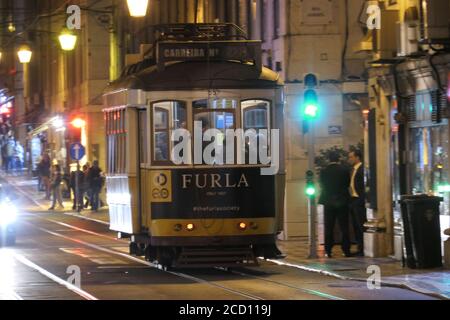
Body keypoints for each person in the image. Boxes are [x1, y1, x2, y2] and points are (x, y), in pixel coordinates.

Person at [318, 151, 352, 258]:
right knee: (344, 227)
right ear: (339, 159)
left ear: (329, 159)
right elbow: (347, 184)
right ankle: (346, 250)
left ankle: (328, 250)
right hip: (342, 201)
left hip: (328, 202)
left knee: (329, 226)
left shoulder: (324, 171)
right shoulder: (344, 170)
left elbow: (322, 184)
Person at [348, 149, 367, 257]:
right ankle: (359, 247)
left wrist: (361, 200)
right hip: (353, 200)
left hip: (359, 201)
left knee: (361, 225)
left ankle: (363, 248)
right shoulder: (352, 170)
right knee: (355, 226)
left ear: (357, 157)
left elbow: (364, 187)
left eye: (351, 157)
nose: (349, 159)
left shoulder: (362, 169)